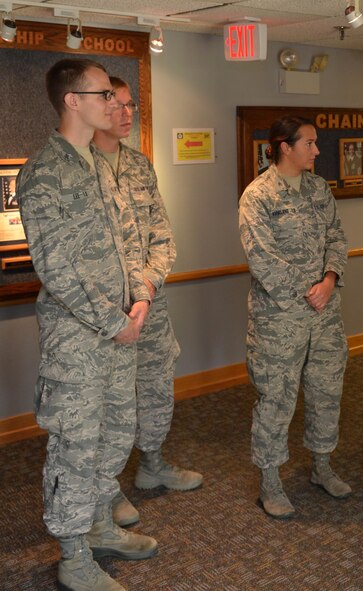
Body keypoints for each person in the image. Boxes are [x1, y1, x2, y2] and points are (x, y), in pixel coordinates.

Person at [17, 58, 158, 591]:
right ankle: (73, 555)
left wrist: (140, 299)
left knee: (115, 434)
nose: (115, 104)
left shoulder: (102, 166)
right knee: (75, 444)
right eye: (103, 95)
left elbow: (132, 243)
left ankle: (100, 525)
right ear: (73, 100)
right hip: (78, 340)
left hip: (123, 328)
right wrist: (111, 320)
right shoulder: (43, 172)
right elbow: (54, 266)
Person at [92, 76, 203, 528]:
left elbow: (163, 233)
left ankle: (152, 463)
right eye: (116, 104)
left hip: (150, 305)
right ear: (95, 109)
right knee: (110, 399)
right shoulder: (82, 169)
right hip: (109, 312)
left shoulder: (139, 165)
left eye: (130, 104)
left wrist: (149, 289)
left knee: (156, 385)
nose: (125, 112)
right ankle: (107, 486)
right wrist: (128, 302)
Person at [238, 115, 350, 519]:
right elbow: (261, 259)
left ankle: (322, 465)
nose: (317, 151)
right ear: (284, 146)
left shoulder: (319, 189)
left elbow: (336, 235)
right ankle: (270, 481)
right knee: (276, 399)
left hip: (325, 315)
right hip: (279, 319)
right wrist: (311, 289)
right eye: (310, 144)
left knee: (326, 391)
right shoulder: (258, 196)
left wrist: (330, 278)